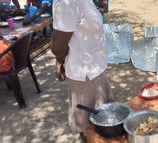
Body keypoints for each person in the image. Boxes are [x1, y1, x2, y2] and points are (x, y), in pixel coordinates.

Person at [51, 0, 114, 142]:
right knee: (89, 126)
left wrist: (59, 61)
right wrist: (60, 60)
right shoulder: (69, 3)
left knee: (103, 119)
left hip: (96, 68)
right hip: (85, 73)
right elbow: (58, 47)